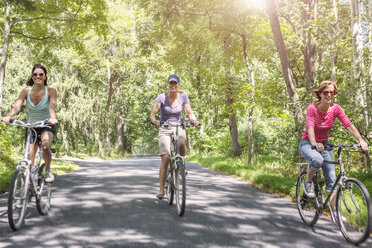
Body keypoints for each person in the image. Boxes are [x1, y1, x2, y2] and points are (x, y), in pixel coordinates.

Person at [299, 80, 368, 220]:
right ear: (320, 94)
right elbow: (310, 128)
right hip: (307, 143)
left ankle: (334, 212)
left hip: (325, 144)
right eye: (326, 92)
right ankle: (308, 182)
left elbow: (348, 124)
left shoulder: (336, 109)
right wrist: (314, 143)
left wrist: (360, 140)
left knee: (331, 177)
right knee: (317, 159)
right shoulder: (312, 108)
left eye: (332, 92)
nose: (329, 95)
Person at [3, 64, 58, 183]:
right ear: (32, 76)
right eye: (35, 74)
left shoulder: (51, 91)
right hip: (31, 126)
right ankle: (24, 191)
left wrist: (52, 119)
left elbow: (52, 108)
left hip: (46, 124)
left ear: (45, 76)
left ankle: (48, 170)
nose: (38, 76)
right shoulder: (26, 91)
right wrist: (9, 116)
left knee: (45, 146)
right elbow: (17, 106)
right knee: (29, 159)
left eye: (41, 74)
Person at [150, 74, 200, 199]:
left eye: (175, 83)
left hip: (178, 127)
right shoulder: (161, 97)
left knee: (182, 141)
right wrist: (155, 120)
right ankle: (162, 190)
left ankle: (181, 163)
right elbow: (153, 113)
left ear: (178, 85)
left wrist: (194, 120)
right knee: (165, 159)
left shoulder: (183, 97)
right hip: (164, 128)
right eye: (171, 83)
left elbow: (190, 113)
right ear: (168, 84)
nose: (173, 85)